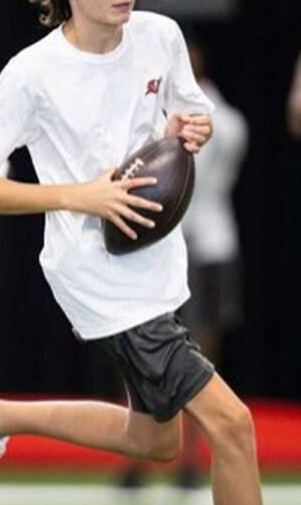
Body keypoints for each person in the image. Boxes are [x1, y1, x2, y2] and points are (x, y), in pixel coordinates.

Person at [0, 0, 261, 505]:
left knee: (157, 441)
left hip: (158, 259)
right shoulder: (31, 74)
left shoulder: (160, 37)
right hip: (97, 270)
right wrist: (80, 195)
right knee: (234, 426)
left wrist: (190, 128)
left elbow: (190, 115)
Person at [117, 41, 249, 490]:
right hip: (171, 248)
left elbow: (184, 181)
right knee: (146, 349)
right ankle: (140, 463)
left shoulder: (224, 122)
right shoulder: (159, 120)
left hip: (206, 245)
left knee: (200, 356)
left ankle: (190, 459)